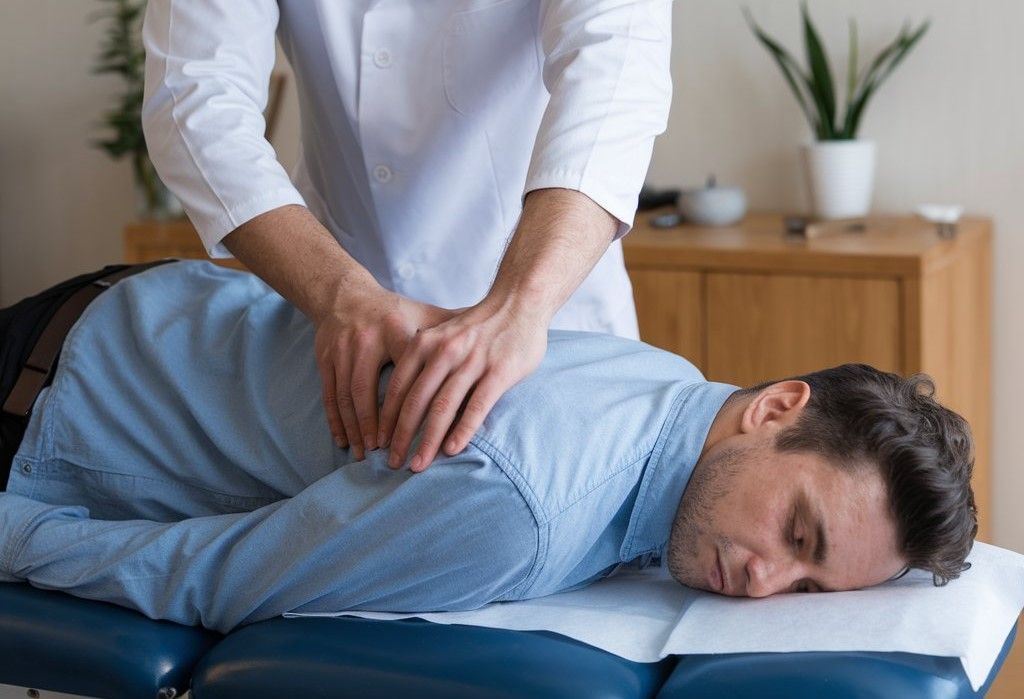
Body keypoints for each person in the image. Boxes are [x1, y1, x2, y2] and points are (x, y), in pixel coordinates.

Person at [0, 262, 976, 633]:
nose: (765, 582)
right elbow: (210, 580)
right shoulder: (523, 509)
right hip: (48, 406)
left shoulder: (674, 384)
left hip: (143, 312)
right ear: (776, 409)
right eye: (797, 533)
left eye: (806, 589)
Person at [140, 1, 674, 473]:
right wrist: (339, 295)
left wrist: (521, 306)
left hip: (551, 313)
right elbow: (195, 96)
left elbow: (615, 76)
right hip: (339, 313)